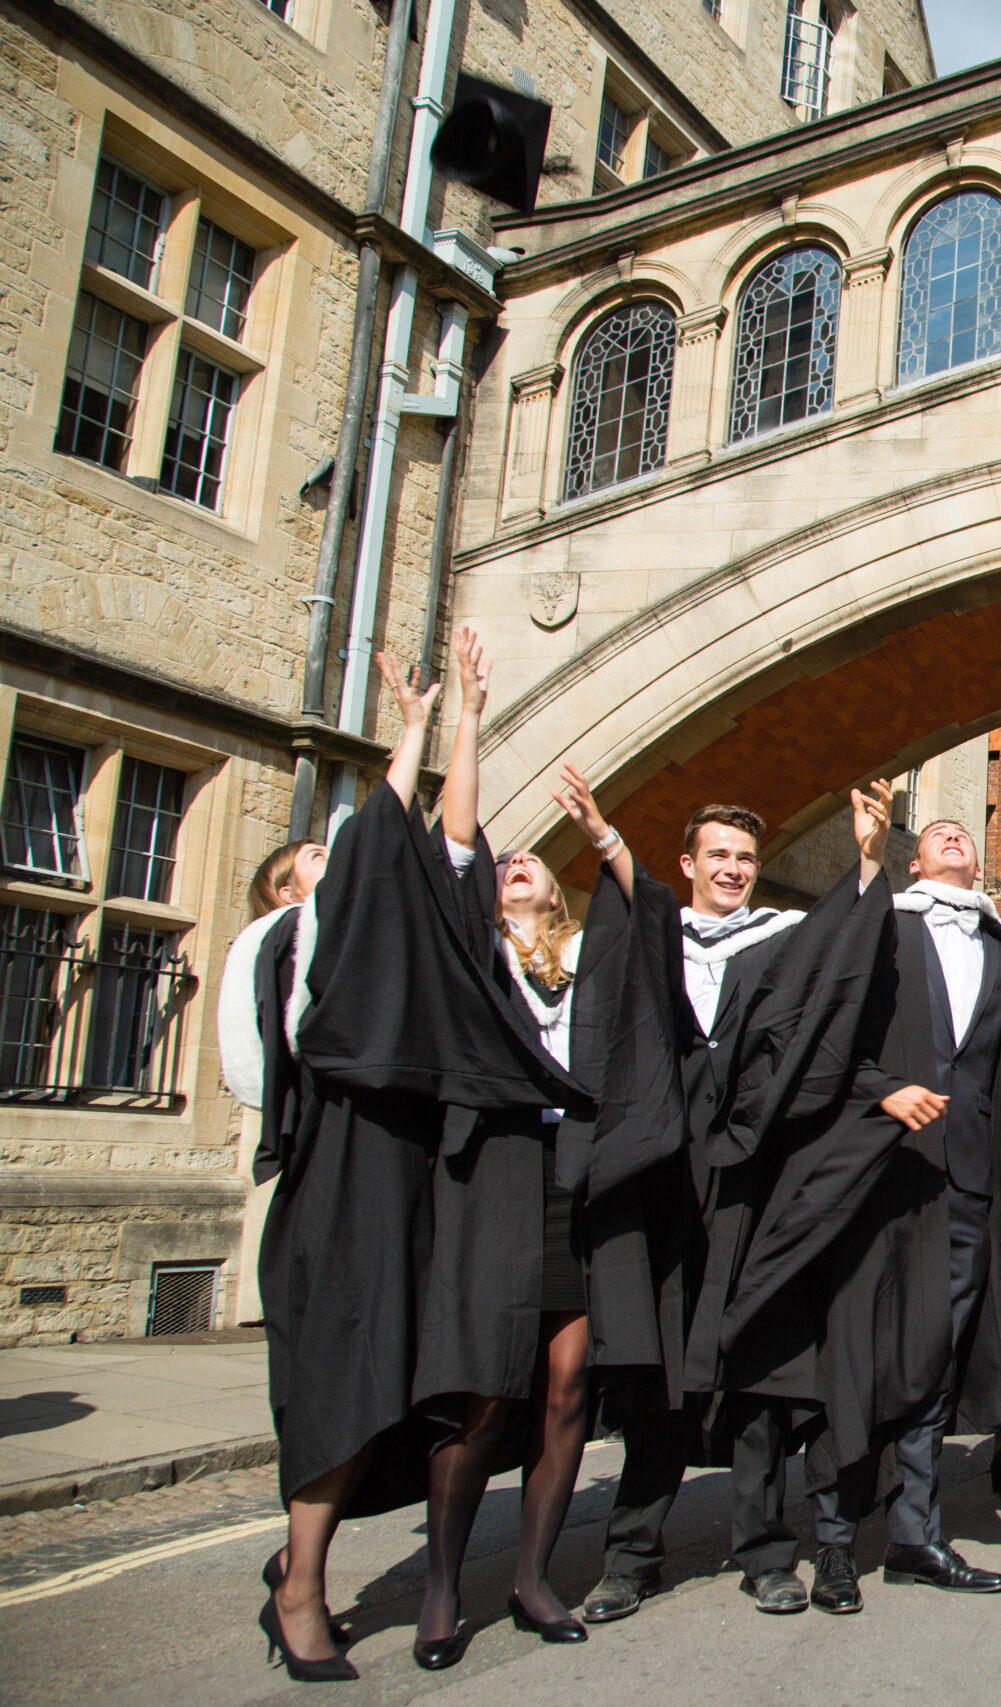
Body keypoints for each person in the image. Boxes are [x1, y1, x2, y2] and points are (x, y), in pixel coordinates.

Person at [233, 648, 580, 1683]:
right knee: (340, 1375)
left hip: (423, 1172)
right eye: (319, 864)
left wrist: (462, 718)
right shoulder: (311, 937)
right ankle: (300, 1587)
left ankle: (317, 1569)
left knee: (396, 1382)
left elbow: (453, 844)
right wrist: (414, 736)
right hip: (344, 1167)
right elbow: (392, 840)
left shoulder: (420, 929)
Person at [720, 817, 1001, 1612]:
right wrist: (879, 1092)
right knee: (859, 1359)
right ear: (914, 856)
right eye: (937, 833)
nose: (951, 839)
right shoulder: (881, 929)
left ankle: (915, 1533)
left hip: (965, 1190)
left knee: (934, 1365)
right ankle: (834, 1542)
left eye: (963, 835)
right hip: (883, 1178)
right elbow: (821, 1036)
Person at [590, 782, 891, 1622]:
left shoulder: (781, 939)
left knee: (757, 1365)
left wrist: (869, 859)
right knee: (657, 1373)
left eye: (746, 858)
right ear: (686, 864)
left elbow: (840, 957)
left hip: (750, 1178)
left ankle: (764, 1550)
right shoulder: (650, 938)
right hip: (662, 1177)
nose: (733, 868)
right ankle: (631, 1554)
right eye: (717, 855)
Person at [407, 628, 633, 1667]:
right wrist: (464, 718)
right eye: (506, 867)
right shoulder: (472, 961)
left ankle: (535, 1577)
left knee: (566, 1391)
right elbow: (452, 850)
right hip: (494, 1179)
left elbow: (641, 935)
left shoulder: (580, 964)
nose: (517, 869)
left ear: (557, 890)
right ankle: (445, 1589)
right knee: (482, 1391)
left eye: (533, 863)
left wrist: (603, 835)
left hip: (570, 1182)